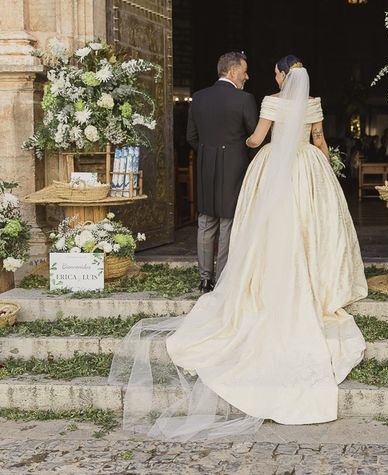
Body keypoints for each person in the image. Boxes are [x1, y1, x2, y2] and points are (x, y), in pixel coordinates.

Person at [109, 55, 368, 441]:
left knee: (263, 226)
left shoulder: (270, 101)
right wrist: (325, 169)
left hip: (273, 168)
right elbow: (319, 140)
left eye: (275, 72)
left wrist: (243, 140)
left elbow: (257, 139)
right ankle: (316, 279)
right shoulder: (313, 104)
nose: (269, 76)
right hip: (308, 169)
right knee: (311, 224)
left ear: (282, 75)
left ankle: (255, 276)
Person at [187, 51, 258, 292]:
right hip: (235, 167)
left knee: (206, 222)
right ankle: (224, 278)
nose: (247, 77)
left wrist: (209, 152)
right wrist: (243, 159)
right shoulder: (244, 100)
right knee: (228, 222)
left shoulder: (198, 97)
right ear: (233, 71)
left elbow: (191, 137)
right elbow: (254, 138)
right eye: (245, 71)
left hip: (206, 164)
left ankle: (205, 279)